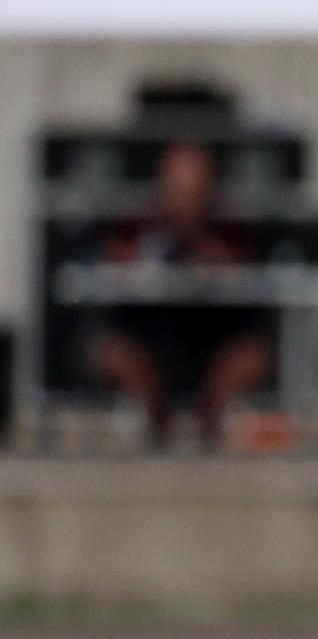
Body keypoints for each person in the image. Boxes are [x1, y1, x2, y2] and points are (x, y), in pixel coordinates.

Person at [90, 141, 273, 448]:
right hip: (152, 338)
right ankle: (152, 431)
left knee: (251, 356)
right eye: (178, 189)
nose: (186, 200)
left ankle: (214, 437)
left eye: (194, 190)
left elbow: (248, 266)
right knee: (113, 353)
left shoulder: (232, 227)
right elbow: (109, 261)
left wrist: (206, 249)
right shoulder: (136, 224)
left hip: (213, 341)